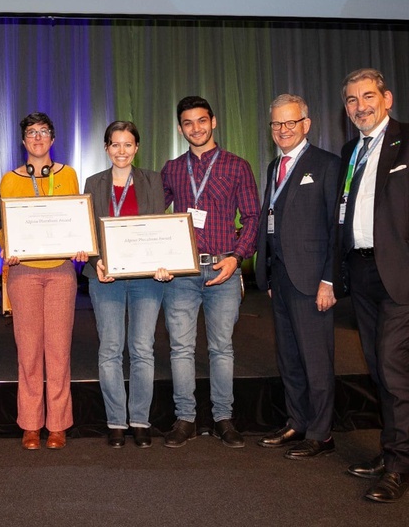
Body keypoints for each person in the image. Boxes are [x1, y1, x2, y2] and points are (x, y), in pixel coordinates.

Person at [160, 95, 259, 449]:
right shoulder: (172, 169)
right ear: (180, 128)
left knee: (222, 349)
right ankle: (185, 418)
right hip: (183, 273)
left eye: (202, 121)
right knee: (180, 349)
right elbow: (155, 218)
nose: (196, 128)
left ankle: (223, 419)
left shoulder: (237, 166)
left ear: (213, 122)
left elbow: (252, 218)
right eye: (188, 123)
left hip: (223, 269)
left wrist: (237, 257)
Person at [336, 68, 409, 502]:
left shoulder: (407, 141)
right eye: (350, 100)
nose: (359, 106)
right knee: (379, 368)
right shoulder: (350, 151)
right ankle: (392, 450)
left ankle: (398, 465)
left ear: (387, 98)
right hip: (361, 273)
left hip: (400, 274)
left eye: (367, 97)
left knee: (393, 366)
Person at [254, 94, 339, 459]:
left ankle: (321, 433)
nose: (283, 130)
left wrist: (330, 280)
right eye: (276, 124)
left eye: (290, 122)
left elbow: (337, 230)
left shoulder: (328, 165)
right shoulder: (275, 167)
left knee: (316, 360)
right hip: (283, 279)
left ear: (306, 123)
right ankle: (297, 422)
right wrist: (271, 275)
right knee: (289, 357)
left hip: (313, 281)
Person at [0, 112, 89, 451]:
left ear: (53, 138)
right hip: (23, 273)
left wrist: (81, 243)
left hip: (61, 271)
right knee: (29, 350)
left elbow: (76, 217)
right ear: (23, 141)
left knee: (58, 350)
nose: (37, 138)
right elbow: (2, 223)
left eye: (44, 132)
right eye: (31, 133)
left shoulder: (69, 175)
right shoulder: (9, 179)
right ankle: (31, 424)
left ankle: (58, 424)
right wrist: (9, 247)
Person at [84, 121, 171, 448]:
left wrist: (165, 261)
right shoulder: (93, 183)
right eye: (115, 144)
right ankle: (116, 421)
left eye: (128, 144)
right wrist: (96, 262)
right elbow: (87, 230)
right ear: (106, 148)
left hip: (147, 279)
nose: (121, 151)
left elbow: (159, 228)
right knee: (109, 349)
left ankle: (140, 420)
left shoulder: (153, 181)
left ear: (137, 148)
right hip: (106, 277)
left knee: (142, 349)